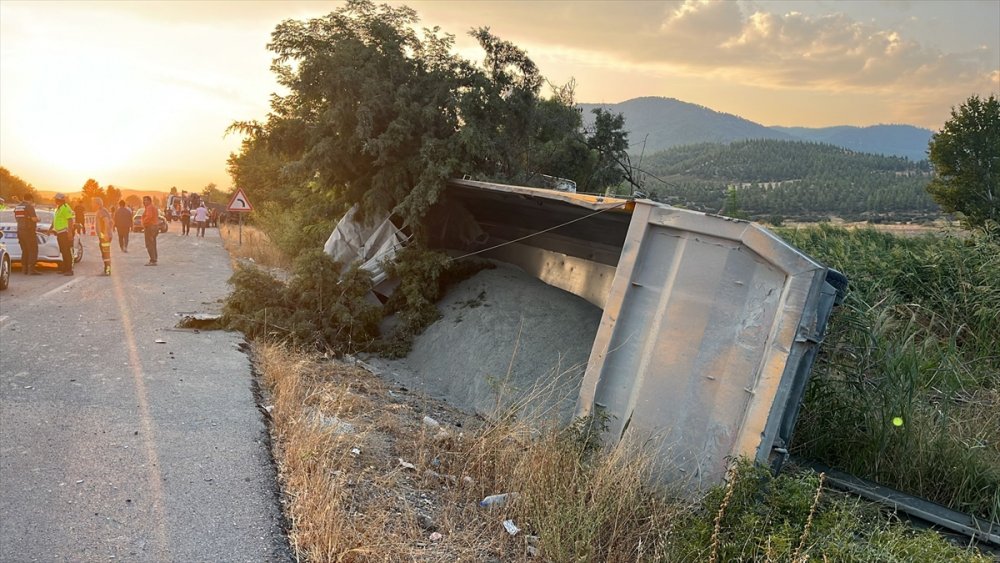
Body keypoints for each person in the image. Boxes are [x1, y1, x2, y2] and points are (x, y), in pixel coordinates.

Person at [13, 193, 42, 275]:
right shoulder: (29, 207)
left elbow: (17, 218)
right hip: (29, 231)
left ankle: (24, 269)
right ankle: (31, 269)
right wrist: (39, 219)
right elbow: (34, 219)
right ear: (31, 199)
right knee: (33, 249)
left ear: (23, 198)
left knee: (25, 250)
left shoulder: (17, 207)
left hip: (20, 231)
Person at [50, 193, 75, 275]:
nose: (54, 200)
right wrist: (51, 228)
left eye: (55, 199)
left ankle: (69, 270)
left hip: (65, 232)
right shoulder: (59, 208)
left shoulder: (65, 207)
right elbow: (56, 219)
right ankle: (65, 268)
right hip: (60, 233)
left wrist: (70, 233)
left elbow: (70, 220)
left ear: (59, 200)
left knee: (67, 251)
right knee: (63, 251)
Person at [93, 197, 113, 276]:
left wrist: (106, 233)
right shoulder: (103, 210)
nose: (92, 205)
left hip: (104, 237)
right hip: (104, 236)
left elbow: (106, 222)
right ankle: (107, 270)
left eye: (93, 203)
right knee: (105, 253)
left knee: (106, 254)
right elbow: (111, 222)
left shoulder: (101, 211)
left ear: (97, 204)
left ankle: (107, 271)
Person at [141, 196, 159, 266]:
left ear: (149, 201)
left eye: (146, 200)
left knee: (149, 244)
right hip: (155, 227)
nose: (144, 202)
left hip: (150, 227)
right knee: (153, 243)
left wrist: (143, 223)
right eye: (144, 200)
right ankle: (154, 258)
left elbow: (149, 216)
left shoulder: (149, 207)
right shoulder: (153, 207)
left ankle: (153, 260)